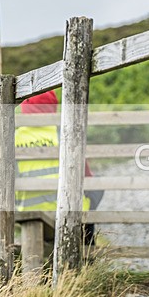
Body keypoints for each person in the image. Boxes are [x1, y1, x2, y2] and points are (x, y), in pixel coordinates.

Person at [15, 90, 103, 248]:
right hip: (66, 209)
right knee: (95, 188)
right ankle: (87, 254)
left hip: (26, 209)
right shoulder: (63, 133)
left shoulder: (15, 137)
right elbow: (86, 175)